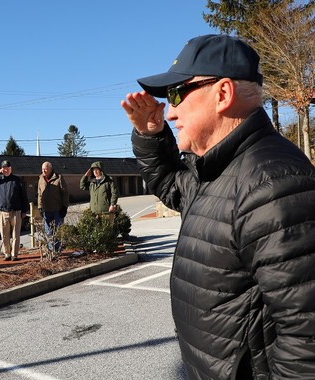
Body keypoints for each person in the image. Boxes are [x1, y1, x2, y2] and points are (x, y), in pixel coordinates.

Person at [121, 34, 315, 379]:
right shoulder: (218, 168)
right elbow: (171, 184)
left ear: (223, 94)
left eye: (178, 93)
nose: (172, 110)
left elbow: (306, 338)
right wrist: (152, 134)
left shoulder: (273, 183)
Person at [0, 160, 29, 261]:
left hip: (16, 211)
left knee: (16, 234)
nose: (6, 170)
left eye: (7, 168)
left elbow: (24, 196)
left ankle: (14, 255)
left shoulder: (17, 180)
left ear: (11, 168)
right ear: (1, 168)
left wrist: (24, 210)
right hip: (2, 211)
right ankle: (7, 254)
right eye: (4, 168)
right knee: (4, 235)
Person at [37, 161, 69, 252]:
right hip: (46, 210)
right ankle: (51, 251)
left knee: (57, 232)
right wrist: (40, 207)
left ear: (50, 169)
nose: (44, 171)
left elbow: (65, 193)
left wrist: (64, 206)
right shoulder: (41, 179)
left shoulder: (59, 178)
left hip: (57, 210)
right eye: (42, 169)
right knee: (48, 232)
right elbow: (39, 194)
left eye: (45, 169)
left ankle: (57, 250)